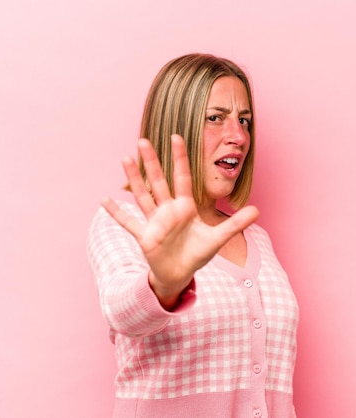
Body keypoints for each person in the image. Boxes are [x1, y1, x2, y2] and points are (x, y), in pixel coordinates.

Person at [87, 53, 299, 418]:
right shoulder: (126, 223)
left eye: (244, 120)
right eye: (215, 118)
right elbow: (123, 313)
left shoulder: (256, 237)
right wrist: (165, 283)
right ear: (176, 126)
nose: (238, 136)